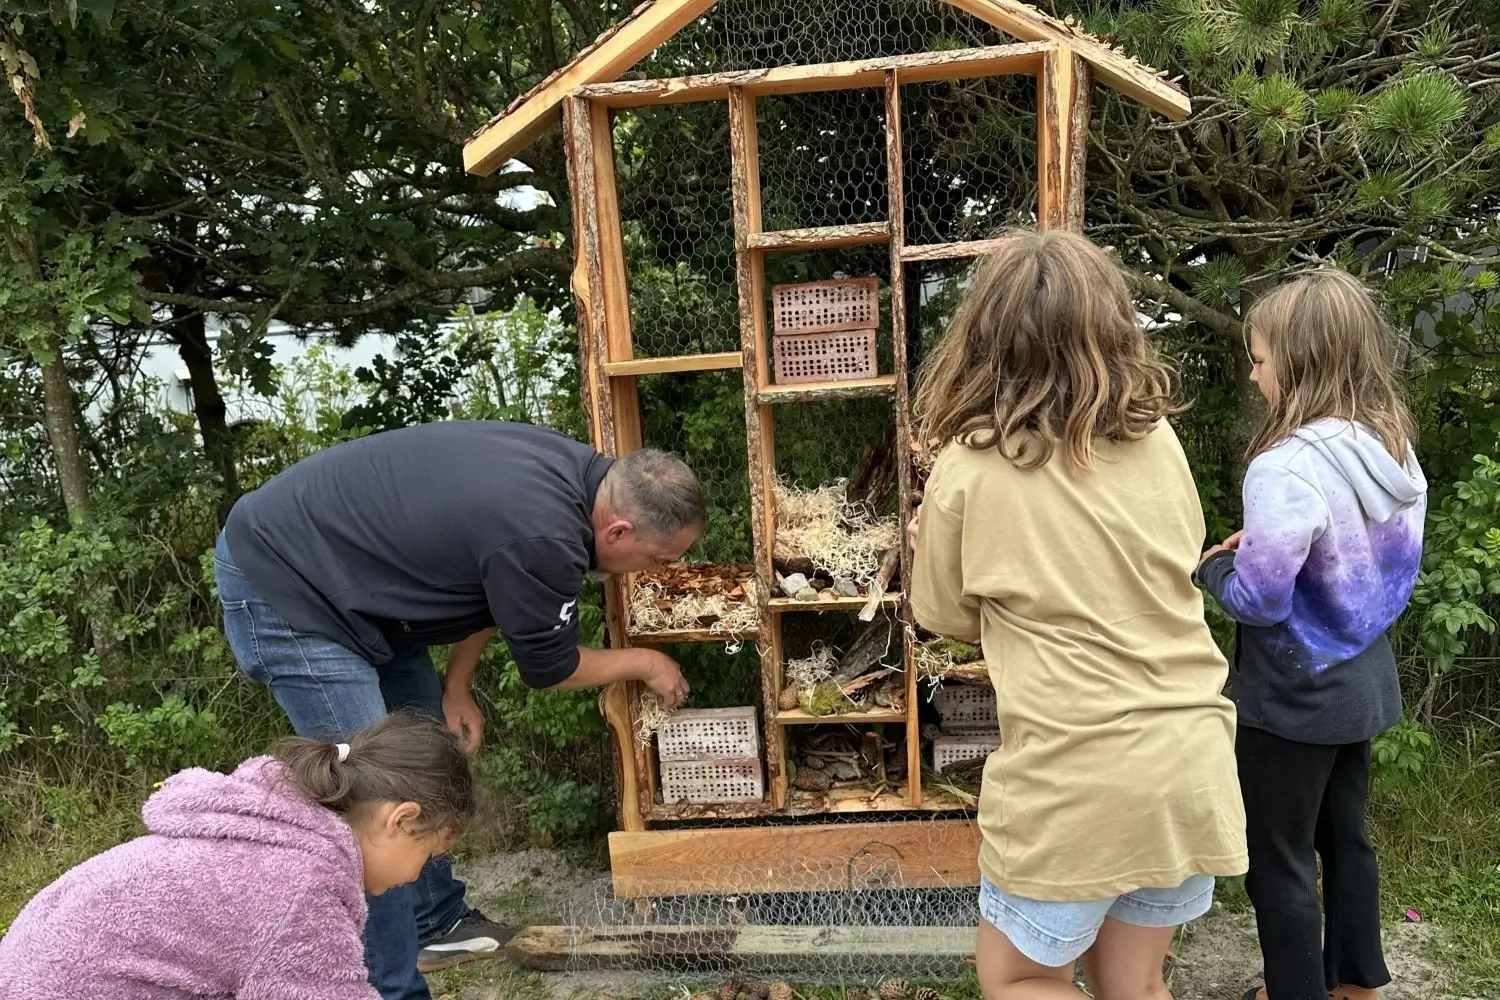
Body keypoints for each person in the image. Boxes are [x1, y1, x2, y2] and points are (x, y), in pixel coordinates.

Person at [213, 420, 703, 999]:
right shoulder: (545, 536)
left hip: (362, 587)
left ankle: (435, 922)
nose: (657, 572)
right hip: (289, 583)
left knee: (424, 755)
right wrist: (646, 662)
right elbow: (552, 666)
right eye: (657, 559)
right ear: (618, 530)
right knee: (375, 802)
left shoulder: (580, 480)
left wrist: (457, 685)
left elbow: (486, 581)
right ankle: (391, 987)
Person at [909, 229, 1247, 1000]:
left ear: (984, 337)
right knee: (1138, 987)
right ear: (1113, 327)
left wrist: (940, 544)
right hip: (1189, 755)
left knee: (1018, 979)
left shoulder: (969, 465)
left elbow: (943, 615)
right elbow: (1173, 556)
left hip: (1074, 776)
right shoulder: (1157, 438)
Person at [1197, 270, 1426, 1000]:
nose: (1254, 374)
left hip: (1291, 697)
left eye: (1260, 359)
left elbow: (1261, 601)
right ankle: (1356, 982)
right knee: (1345, 839)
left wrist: (1214, 568)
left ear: (1298, 363)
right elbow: (1384, 563)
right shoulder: (1391, 446)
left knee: (1280, 857)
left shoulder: (1284, 466)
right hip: (1361, 677)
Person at [0, 712, 475, 1000]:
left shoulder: (277, 829)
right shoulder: (299, 886)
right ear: (401, 820)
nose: (417, 875)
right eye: (430, 854)